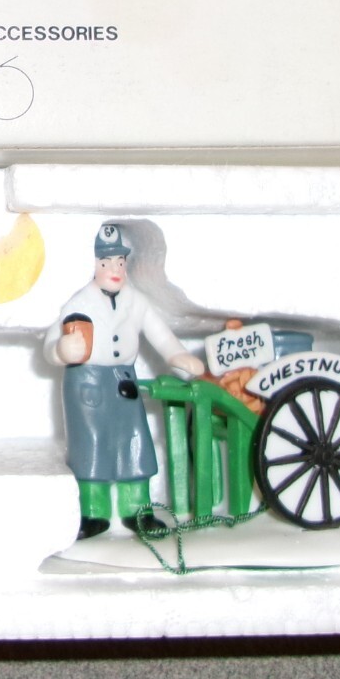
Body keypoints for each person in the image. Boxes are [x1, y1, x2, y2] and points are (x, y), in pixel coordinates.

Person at [43, 224, 204, 539]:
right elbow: (50, 344)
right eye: (106, 263)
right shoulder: (77, 303)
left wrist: (178, 355)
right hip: (87, 383)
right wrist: (61, 350)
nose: (114, 269)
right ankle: (93, 512)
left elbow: (159, 334)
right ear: (92, 265)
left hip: (124, 383)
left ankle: (137, 510)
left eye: (120, 262)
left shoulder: (136, 301)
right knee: (90, 448)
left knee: (135, 443)